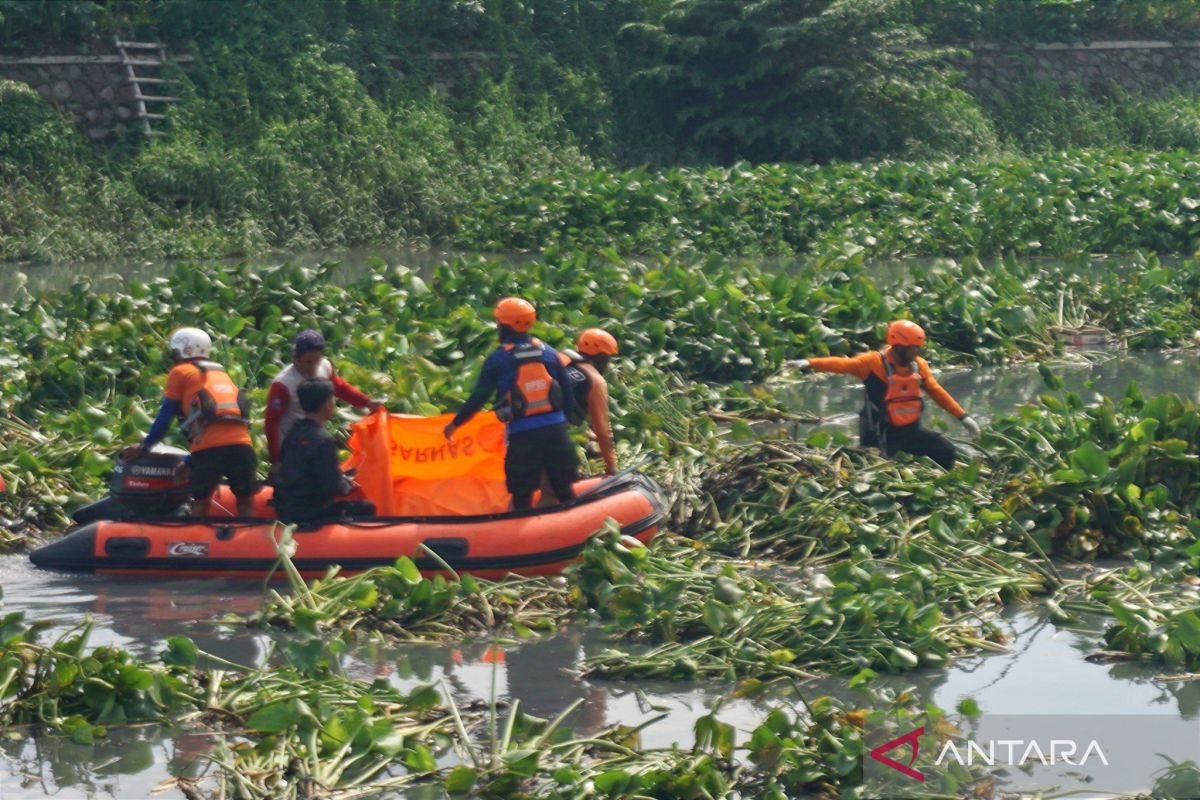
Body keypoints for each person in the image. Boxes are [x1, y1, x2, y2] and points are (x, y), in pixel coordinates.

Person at [443, 298, 579, 511]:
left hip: (523, 435)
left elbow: (478, 398)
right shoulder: (549, 352)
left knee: (522, 495)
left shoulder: (498, 359)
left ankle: (524, 538)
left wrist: (455, 424)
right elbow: (567, 391)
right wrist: (566, 423)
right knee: (564, 490)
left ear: (503, 325)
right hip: (556, 431)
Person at [790, 320, 981, 469]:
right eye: (912, 349)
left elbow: (937, 392)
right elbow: (841, 364)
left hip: (910, 431)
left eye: (918, 348)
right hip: (878, 434)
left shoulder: (918, 365)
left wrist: (964, 418)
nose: (916, 352)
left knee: (946, 451)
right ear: (898, 346)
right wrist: (810, 362)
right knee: (878, 471)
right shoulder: (871, 363)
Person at [122, 327, 257, 517]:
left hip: (209, 449)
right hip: (243, 446)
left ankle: (195, 541)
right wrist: (189, 460)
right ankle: (248, 539)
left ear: (183, 350)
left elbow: (166, 414)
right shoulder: (221, 373)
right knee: (245, 500)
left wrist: (145, 446)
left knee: (200, 501)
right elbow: (222, 425)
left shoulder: (180, 372)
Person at [264, 329, 381, 468]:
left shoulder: (325, 366)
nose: (313, 366)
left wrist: (366, 402)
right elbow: (271, 423)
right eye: (308, 362)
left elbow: (339, 387)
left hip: (315, 436)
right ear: (295, 359)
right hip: (291, 445)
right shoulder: (283, 384)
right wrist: (276, 460)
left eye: (317, 360)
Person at [273, 378, 376, 524]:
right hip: (309, 512)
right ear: (328, 404)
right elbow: (331, 486)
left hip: (286, 508)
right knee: (367, 507)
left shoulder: (292, 434)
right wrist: (348, 484)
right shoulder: (323, 440)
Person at [559, 328, 619, 476]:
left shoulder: (559, 362)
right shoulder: (595, 380)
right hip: (551, 433)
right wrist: (611, 467)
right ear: (601, 357)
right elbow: (603, 430)